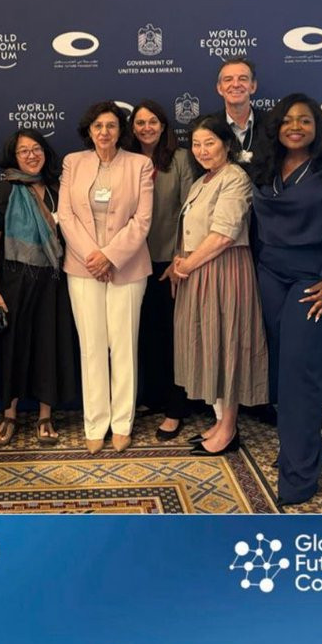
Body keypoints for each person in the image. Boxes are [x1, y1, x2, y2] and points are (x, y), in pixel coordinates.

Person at [251, 94, 322, 505]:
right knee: (286, 371)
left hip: (312, 281)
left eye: (304, 120)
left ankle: (299, 475)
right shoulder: (265, 169)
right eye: (287, 120)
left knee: (300, 376)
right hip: (270, 276)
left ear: (318, 128)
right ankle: (305, 448)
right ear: (276, 127)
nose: (295, 127)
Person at [166, 115, 267, 455]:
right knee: (207, 345)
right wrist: (179, 262)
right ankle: (220, 420)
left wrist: (187, 265)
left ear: (226, 144)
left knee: (226, 345)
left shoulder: (234, 177)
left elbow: (224, 234)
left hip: (224, 271)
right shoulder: (201, 181)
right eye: (196, 144)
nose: (202, 150)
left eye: (209, 143)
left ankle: (229, 429)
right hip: (199, 271)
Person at [58, 101, 153, 453]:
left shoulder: (140, 164)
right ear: (89, 130)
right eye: (98, 126)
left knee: (124, 345)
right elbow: (66, 215)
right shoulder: (73, 162)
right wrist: (93, 257)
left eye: (111, 125)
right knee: (92, 346)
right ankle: (95, 422)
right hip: (83, 267)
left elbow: (142, 220)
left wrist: (110, 256)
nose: (104, 132)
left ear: (120, 130)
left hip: (128, 267)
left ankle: (122, 423)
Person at [0, 129, 76, 446]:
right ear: (14, 156)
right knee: (12, 346)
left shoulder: (58, 189)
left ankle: (45, 415)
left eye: (36, 149)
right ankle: (9, 415)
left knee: (48, 344)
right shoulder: (4, 191)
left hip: (53, 280)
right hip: (13, 281)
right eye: (23, 150)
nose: (31, 155)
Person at [124, 100, 195, 439]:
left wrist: (181, 257)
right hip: (132, 262)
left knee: (172, 336)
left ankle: (176, 407)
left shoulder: (180, 159)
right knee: (146, 334)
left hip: (169, 262)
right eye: (140, 122)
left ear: (164, 126)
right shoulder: (125, 160)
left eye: (153, 121)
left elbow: (190, 211)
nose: (146, 128)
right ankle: (153, 396)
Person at [215, 56, 266, 165]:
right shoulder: (210, 127)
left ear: (253, 86)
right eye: (228, 79)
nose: (236, 84)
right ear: (219, 88)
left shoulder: (271, 124)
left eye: (243, 79)